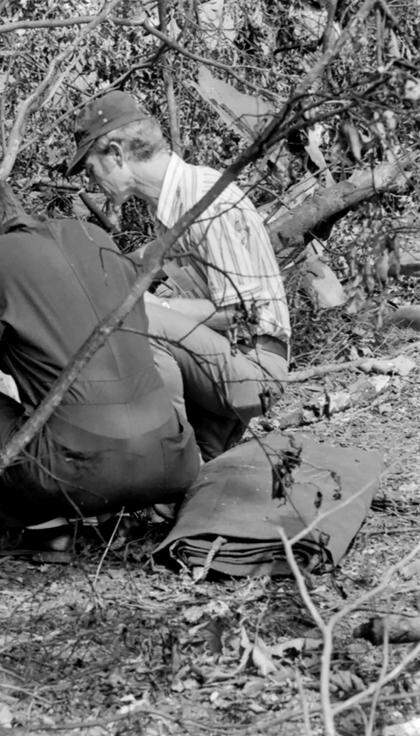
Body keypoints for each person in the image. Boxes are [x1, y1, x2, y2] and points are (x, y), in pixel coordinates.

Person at [0, 177, 200, 532]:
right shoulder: (93, 235)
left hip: (81, 477)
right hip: (174, 462)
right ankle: (134, 504)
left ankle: (39, 527)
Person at [66, 91, 291, 460]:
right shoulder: (172, 205)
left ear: (117, 154)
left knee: (138, 316)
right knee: (195, 488)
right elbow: (146, 264)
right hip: (222, 362)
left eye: (91, 169)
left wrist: (154, 307)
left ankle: (169, 451)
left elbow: (244, 311)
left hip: (255, 367)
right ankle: (184, 458)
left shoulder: (207, 200)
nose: (92, 182)